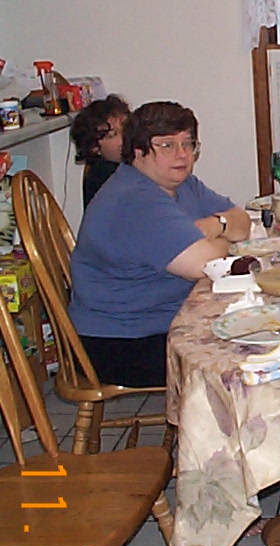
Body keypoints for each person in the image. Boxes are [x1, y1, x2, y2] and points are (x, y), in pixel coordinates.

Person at [69, 101, 250, 387]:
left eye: (188, 144)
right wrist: (219, 237)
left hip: (160, 319)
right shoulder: (134, 198)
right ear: (138, 151)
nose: (182, 154)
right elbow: (205, 266)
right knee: (251, 350)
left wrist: (217, 225)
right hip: (120, 342)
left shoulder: (182, 183)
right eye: (167, 145)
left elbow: (243, 222)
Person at [70, 94, 131, 209]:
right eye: (112, 135)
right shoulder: (103, 174)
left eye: (126, 127)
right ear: (94, 148)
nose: (125, 136)